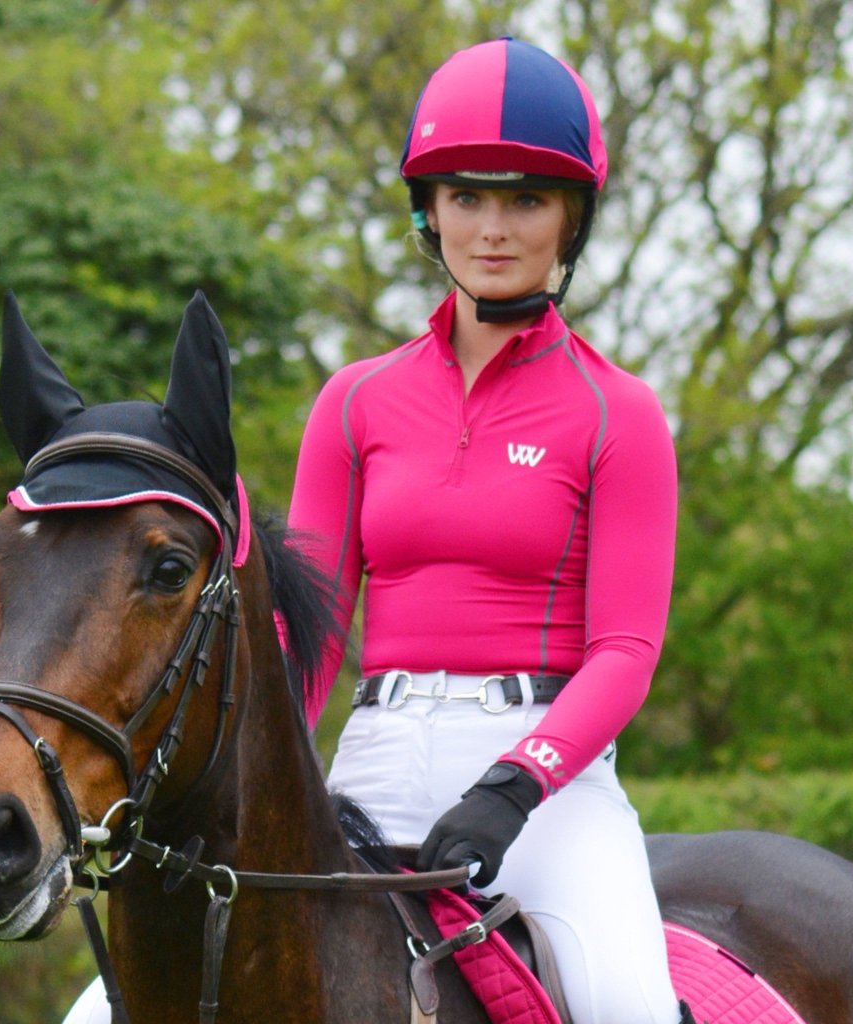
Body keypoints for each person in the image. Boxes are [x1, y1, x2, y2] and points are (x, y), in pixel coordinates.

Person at [287, 38, 691, 1024]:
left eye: (527, 200)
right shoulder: (354, 401)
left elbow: (626, 650)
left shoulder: (619, 412)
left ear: (571, 218)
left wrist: (515, 785)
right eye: (466, 196)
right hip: (372, 760)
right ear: (428, 210)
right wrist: (261, 768)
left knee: (626, 1004)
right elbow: (311, 633)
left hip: (548, 782)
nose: (493, 229)